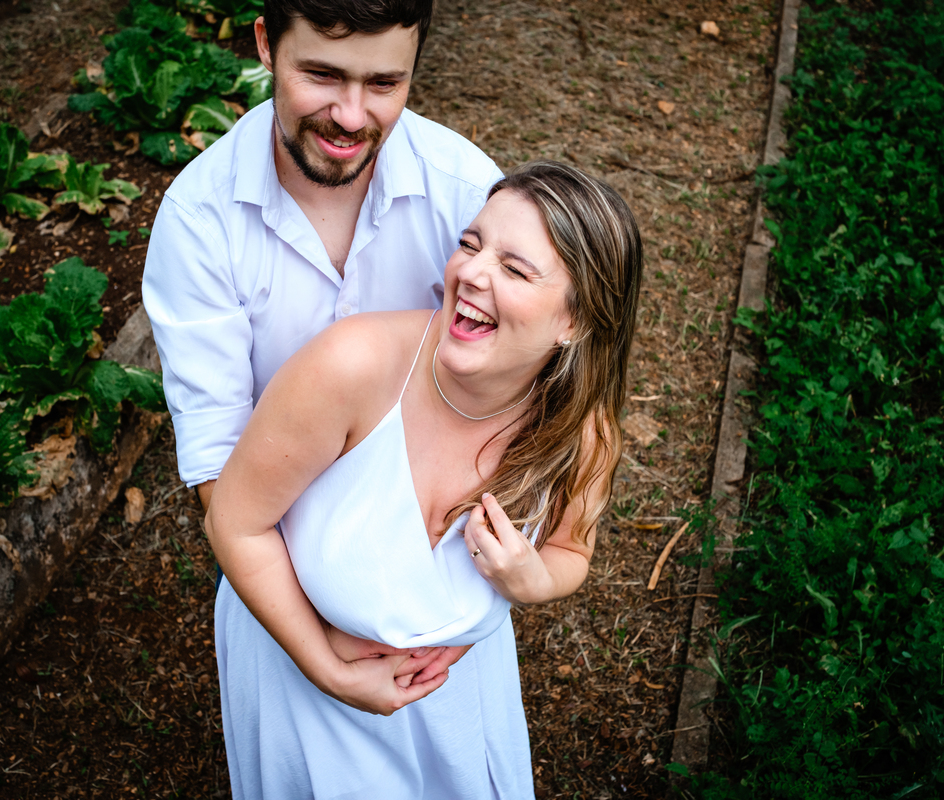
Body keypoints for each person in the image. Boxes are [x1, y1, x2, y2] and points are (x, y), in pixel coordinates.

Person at [208, 161, 643, 799]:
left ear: (574, 323)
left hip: (454, 703)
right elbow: (236, 521)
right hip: (303, 685)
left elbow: (572, 551)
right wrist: (326, 669)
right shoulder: (351, 368)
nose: (470, 272)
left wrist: (534, 580)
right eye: (470, 244)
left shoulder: (582, 430)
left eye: (516, 269)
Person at [142, 0, 503, 515]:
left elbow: (537, 380)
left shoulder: (469, 195)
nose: (351, 117)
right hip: (276, 528)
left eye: (384, 83)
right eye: (321, 74)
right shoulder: (197, 222)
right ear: (266, 43)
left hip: (441, 516)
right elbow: (222, 479)